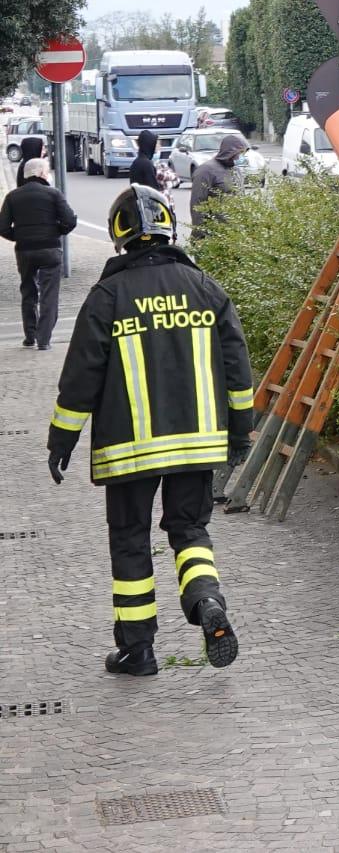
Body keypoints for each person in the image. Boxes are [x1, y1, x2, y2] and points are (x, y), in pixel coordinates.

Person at [47, 183, 253, 676]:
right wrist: (239, 433)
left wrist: (62, 438)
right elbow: (237, 370)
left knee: (131, 541)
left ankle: (137, 650)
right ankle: (205, 601)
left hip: (128, 448)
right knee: (189, 530)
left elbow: (80, 378)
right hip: (196, 443)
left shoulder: (107, 297)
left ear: (120, 235)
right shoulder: (206, 288)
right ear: (168, 226)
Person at [1, 157, 77, 350]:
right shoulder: (53, 194)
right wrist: (57, 232)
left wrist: (20, 237)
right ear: (42, 173)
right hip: (50, 250)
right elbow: (70, 220)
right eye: (47, 170)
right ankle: (44, 340)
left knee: (28, 291)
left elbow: (2, 228)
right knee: (49, 295)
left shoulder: (13, 196)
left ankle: (30, 336)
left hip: (25, 251)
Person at [187, 130, 248, 238]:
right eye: (240, 153)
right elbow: (197, 203)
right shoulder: (206, 171)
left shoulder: (235, 170)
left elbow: (240, 198)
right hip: (213, 233)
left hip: (234, 233)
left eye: (243, 153)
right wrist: (200, 233)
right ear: (231, 152)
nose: (242, 157)